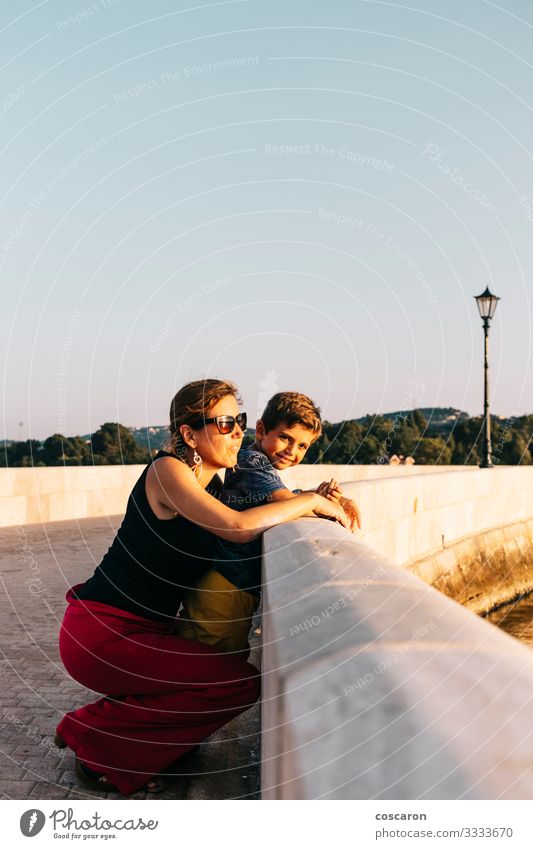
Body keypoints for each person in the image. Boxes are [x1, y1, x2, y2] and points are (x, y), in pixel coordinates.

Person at [55, 379, 352, 796]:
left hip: (144, 629)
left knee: (219, 675)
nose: (237, 432)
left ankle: (128, 739)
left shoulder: (214, 485)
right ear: (189, 434)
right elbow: (238, 528)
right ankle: (94, 738)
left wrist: (308, 493)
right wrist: (313, 504)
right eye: (225, 422)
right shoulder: (168, 472)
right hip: (103, 633)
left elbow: (258, 504)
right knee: (236, 684)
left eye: (240, 421)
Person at [175, 391, 361, 654]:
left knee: (223, 653)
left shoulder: (258, 462)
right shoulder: (251, 460)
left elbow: (282, 500)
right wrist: (328, 506)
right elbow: (283, 501)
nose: (291, 451)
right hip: (226, 584)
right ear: (261, 430)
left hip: (232, 583)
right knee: (209, 657)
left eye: (302, 446)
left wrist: (322, 498)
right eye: (285, 437)